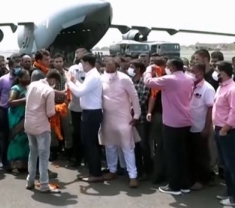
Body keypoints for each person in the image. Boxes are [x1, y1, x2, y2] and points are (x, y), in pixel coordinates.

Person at [143, 57, 194, 196]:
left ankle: (174, 186)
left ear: (171, 67)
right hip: (186, 120)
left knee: (172, 155)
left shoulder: (170, 79)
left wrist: (149, 69)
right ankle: (185, 184)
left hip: (172, 122)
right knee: (183, 155)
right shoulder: (189, 78)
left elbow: (148, 82)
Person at [99, 58, 141, 188]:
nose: (109, 70)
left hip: (123, 118)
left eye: (112, 68)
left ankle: (132, 176)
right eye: (107, 67)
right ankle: (112, 170)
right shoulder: (101, 78)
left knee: (127, 147)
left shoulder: (124, 79)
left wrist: (137, 115)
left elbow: (134, 97)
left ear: (116, 68)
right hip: (107, 118)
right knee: (110, 146)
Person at [66, 53, 105, 182]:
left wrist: (68, 82)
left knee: (89, 143)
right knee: (90, 142)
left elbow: (79, 92)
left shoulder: (93, 76)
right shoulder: (91, 75)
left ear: (87, 63)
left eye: (82, 63)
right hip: (89, 112)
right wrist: (74, 81)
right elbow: (82, 87)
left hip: (92, 113)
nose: (81, 66)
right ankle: (93, 171)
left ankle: (96, 173)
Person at [212, 61, 235, 206]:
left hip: (228, 131)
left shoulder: (233, 90)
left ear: (223, 73)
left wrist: (225, 129)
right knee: (225, 164)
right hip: (219, 129)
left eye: (216, 70)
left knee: (232, 164)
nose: (214, 73)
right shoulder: (221, 87)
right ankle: (231, 192)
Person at [24, 70, 63, 193]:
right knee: (44, 156)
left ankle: (30, 181)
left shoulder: (31, 86)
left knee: (33, 153)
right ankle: (44, 185)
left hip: (29, 125)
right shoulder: (48, 90)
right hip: (42, 127)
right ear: (53, 80)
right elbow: (50, 112)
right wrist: (59, 109)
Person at [7, 69, 31, 174]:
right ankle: (13, 165)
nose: (28, 79)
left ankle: (24, 165)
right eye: (25, 77)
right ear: (19, 78)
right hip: (16, 116)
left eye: (28, 76)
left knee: (25, 140)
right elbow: (10, 102)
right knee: (16, 139)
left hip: (27, 116)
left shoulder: (29, 88)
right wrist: (24, 100)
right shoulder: (15, 88)